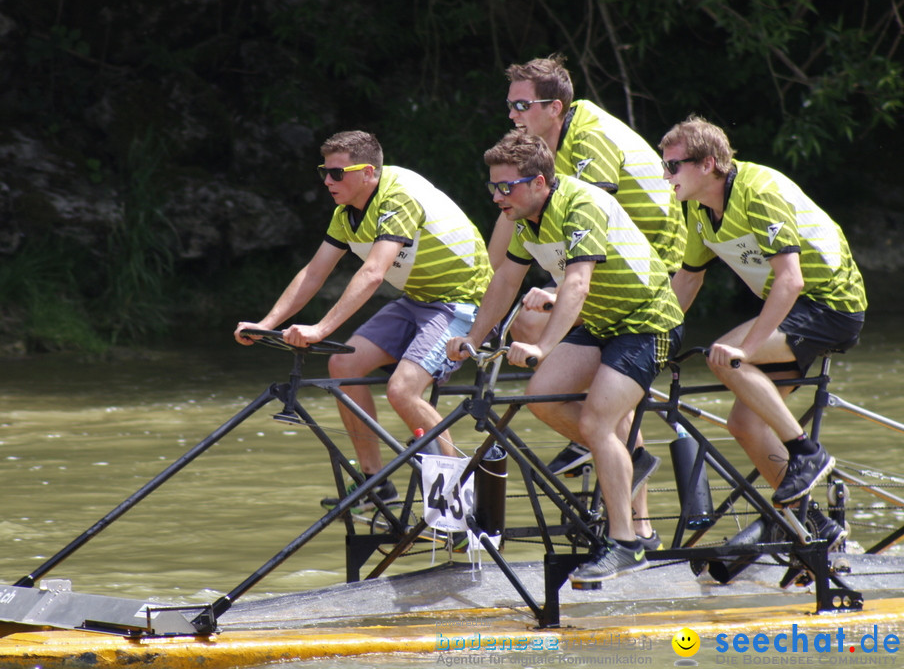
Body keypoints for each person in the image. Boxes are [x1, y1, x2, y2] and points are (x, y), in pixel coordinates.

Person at [448, 129, 685, 582]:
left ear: (538, 182)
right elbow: (505, 281)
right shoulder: (524, 218)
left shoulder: (581, 204)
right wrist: (475, 337)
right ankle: (625, 460)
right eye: (492, 186)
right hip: (603, 325)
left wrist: (541, 346)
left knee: (597, 422)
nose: (497, 196)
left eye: (506, 187)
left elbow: (576, 284)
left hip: (648, 322)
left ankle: (627, 543)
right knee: (544, 394)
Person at [235, 130, 493, 512]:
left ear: (369, 172)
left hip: (463, 303)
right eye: (324, 171)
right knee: (343, 363)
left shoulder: (397, 197)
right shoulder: (346, 214)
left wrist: (321, 329)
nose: (327, 181)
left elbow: (373, 273)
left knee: (402, 391)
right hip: (418, 299)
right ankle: (376, 484)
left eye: (337, 173)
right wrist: (266, 323)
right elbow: (314, 273)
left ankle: (458, 503)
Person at [661, 116, 865, 547]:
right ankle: (808, 524)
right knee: (744, 423)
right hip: (796, 307)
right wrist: (653, 337)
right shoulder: (698, 211)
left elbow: (791, 281)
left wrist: (747, 350)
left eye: (674, 166)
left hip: (831, 304)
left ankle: (808, 453)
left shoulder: (759, 191)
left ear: (708, 164)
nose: (666, 176)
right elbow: (687, 280)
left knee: (728, 355)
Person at [495, 54, 687, 478]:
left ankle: (605, 444)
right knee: (528, 322)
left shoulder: (587, 138)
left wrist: (556, 286)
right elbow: (511, 219)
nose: (511, 115)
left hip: (649, 262)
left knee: (542, 322)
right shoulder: (545, 149)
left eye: (521, 106)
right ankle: (603, 445)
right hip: (607, 259)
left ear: (554, 108)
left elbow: (590, 220)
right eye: (510, 105)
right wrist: (483, 300)